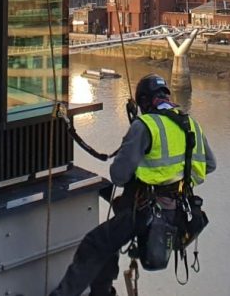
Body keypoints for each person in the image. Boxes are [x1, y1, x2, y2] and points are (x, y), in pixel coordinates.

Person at [49, 74, 215, 296]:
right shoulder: (190, 124)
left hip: (146, 210)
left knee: (95, 244)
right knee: (109, 243)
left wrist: (144, 167)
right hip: (178, 211)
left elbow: (118, 175)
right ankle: (102, 292)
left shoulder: (145, 125)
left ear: (144, 102)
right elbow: (210, 165)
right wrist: (175, 177)